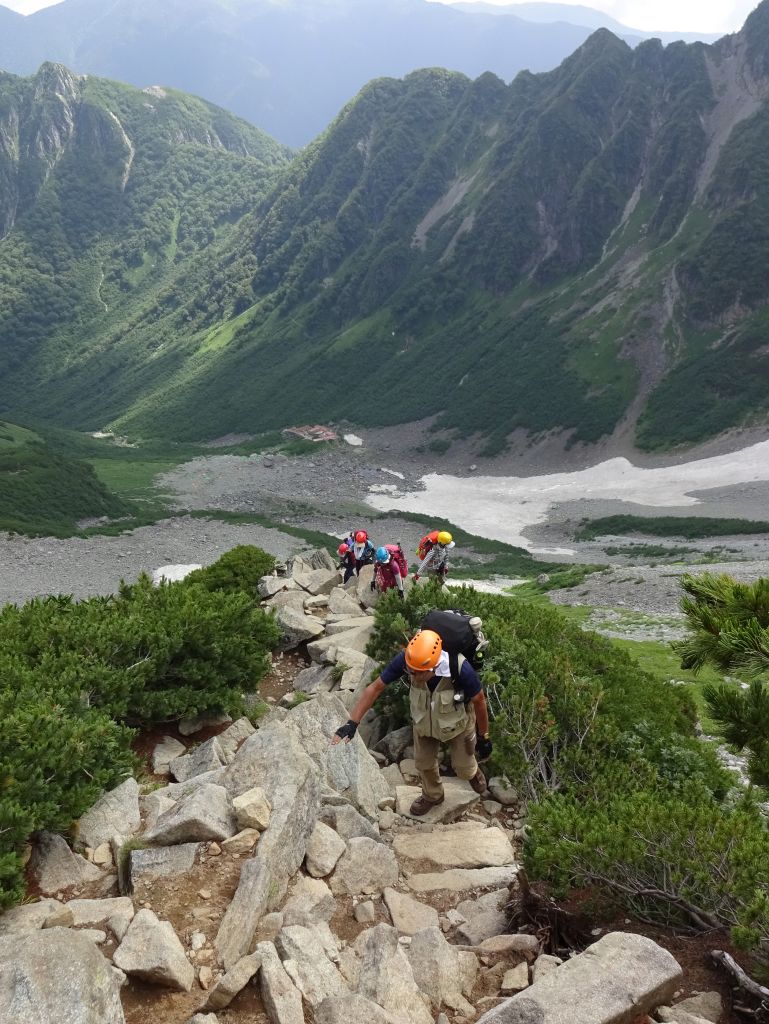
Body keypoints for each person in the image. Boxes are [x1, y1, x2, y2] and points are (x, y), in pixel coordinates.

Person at [332, 628, 492, 815]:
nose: (412, 675)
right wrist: (352, 723)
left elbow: (479, 701)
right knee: (423, 763)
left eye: (418, 673)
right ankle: (433, 796)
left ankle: (473, 774)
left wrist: (483, 736)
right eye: (410, 671)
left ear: (433, 666)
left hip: (457, 723)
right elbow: (375, 688)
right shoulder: (408, 660)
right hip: (424, 720)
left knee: (463, 769)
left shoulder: (460, 668)